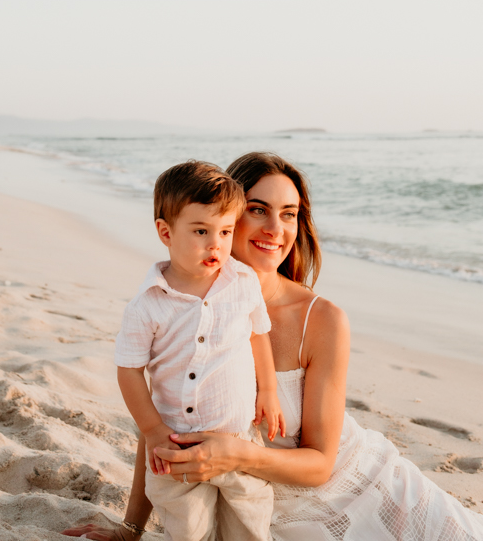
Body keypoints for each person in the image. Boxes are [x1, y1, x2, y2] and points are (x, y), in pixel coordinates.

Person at [64, 152, 483, 541]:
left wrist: (237, 455)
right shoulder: (177, 304)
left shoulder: (322, 319)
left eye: (289, 214)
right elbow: (162, 421)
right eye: (258, 209)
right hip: (258, 519)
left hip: (361, 493)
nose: (275, 230)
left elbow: (320, 463)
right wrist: (130, 528)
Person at [114, 160, 284, 541]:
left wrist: (268, 391)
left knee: (249, 525)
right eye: (201, 231)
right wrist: (153, 430)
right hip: (177, 444)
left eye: (226, 231)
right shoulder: (148, 305)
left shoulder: (242, 282)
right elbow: (128, 370)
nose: (216, 244)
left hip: (238, 438)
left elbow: (258, 334)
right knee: (190, 529)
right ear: (165, 232)